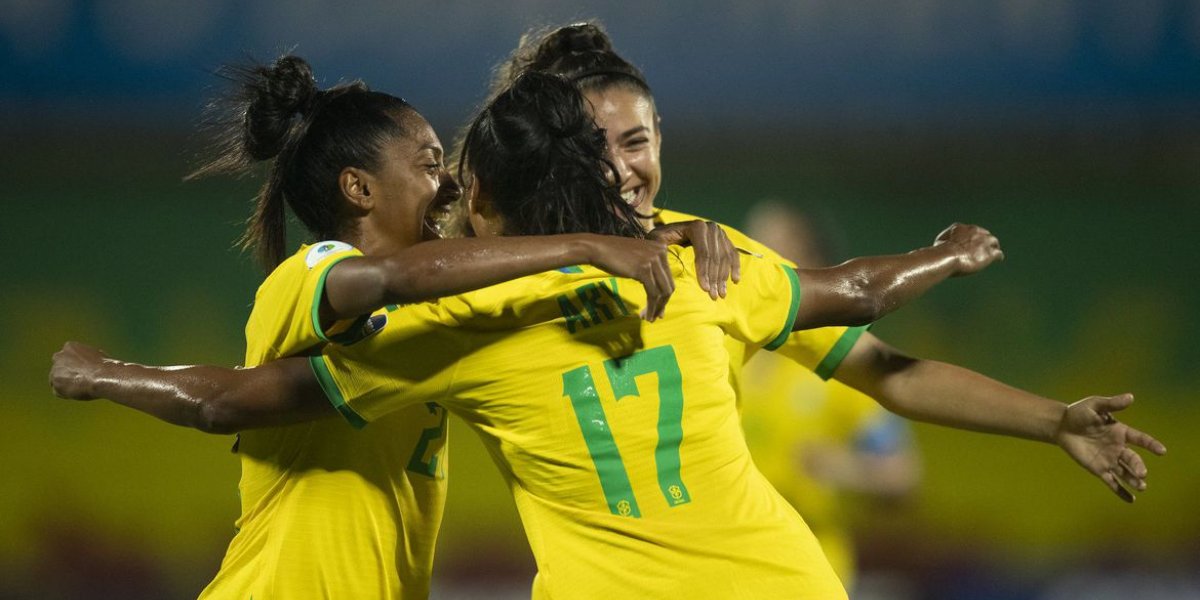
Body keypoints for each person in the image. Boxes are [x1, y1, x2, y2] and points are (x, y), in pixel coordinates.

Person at [52, 72, 1163, 599]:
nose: (447, 188)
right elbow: (862, 302)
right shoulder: (697, 268)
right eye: (430, 166)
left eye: (647, 137)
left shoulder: (465, 327)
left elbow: (874, 345)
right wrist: (947, 254)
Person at [485, 23, 1164, 504]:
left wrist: (1054, 421)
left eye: (636, 142)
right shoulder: (491, 273)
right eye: (592, 149)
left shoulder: (711, 261)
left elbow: (886, 370)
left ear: (661, 136)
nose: (618, 169)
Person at [139, 54, 713, 600]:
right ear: (360, 189)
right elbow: (387, 280)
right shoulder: (312, 271)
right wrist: (585, 245)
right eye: (430, 165)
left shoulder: (431, 315)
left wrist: (651, 236)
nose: (451, 186)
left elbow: (491, 272)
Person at [740, 200, 921, 590]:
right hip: (733, 573)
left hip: (811, 575)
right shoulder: (727, 352)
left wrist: (842, 467)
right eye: (750, 249)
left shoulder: (840, 363)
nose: (756, 265)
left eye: (771, 252)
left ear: (812, 264)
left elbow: (902, 476)